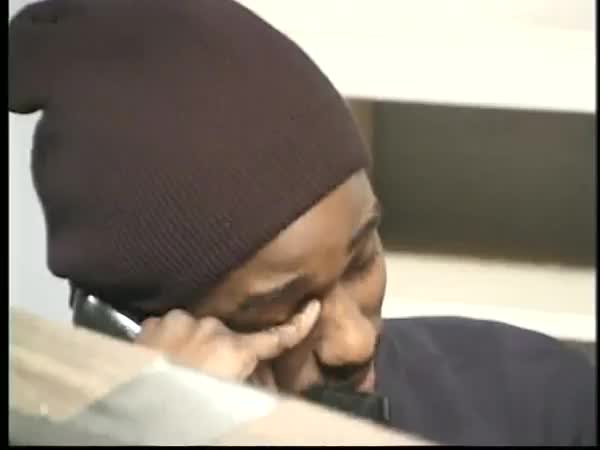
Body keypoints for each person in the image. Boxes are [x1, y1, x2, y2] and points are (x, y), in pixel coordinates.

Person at [9, 0, 595, 446]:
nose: (355, 343)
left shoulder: (541, 402)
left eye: (362, 261)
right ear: (127, 327)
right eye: (280, 308)